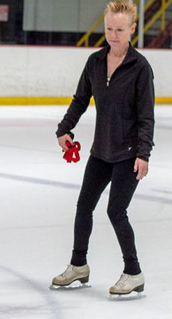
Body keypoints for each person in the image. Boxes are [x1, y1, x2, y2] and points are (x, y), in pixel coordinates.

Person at [52, 0, 155, 296]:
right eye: (109, 28)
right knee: (84, 206)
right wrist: (64, 128)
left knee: (116, 211)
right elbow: (81, 99)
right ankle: (78, 265)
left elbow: (146, 117)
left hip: (129, 153)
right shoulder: (95, 62)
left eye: (120, 29)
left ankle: (133, 271)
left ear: (132, 29)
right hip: (101, 151)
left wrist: (143, 154)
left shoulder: (140, 68)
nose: (113, 34)